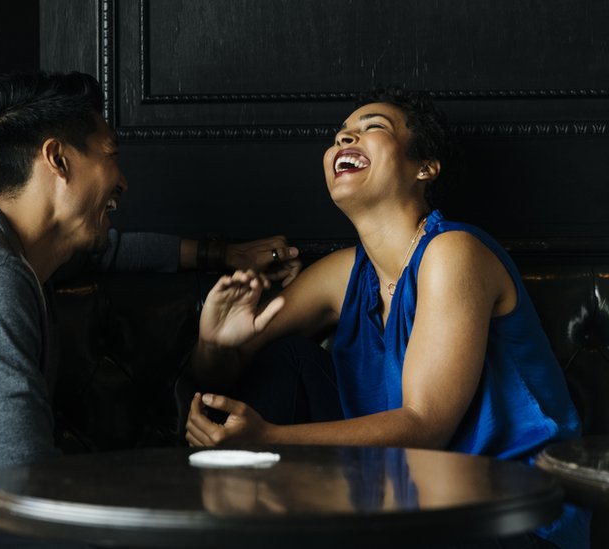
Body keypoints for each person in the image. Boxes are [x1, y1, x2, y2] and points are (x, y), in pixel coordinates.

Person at [0, 71, 299, 549]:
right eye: (111, 156)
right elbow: (23, 473)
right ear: (58, 159)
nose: (123, 180)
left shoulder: (19, 249)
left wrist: (221, 255)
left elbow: (111, 250)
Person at [184, 88, 589, 548]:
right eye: (339, 136)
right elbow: (223, 375)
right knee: (288, 358)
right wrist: (215, 345)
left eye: (372, 126)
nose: (344, 139)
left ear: (424, 167)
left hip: (508, 517)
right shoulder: (341, 275)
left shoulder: (454, 253)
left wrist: (269, 438)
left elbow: (425, 426)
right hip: (401, 506)